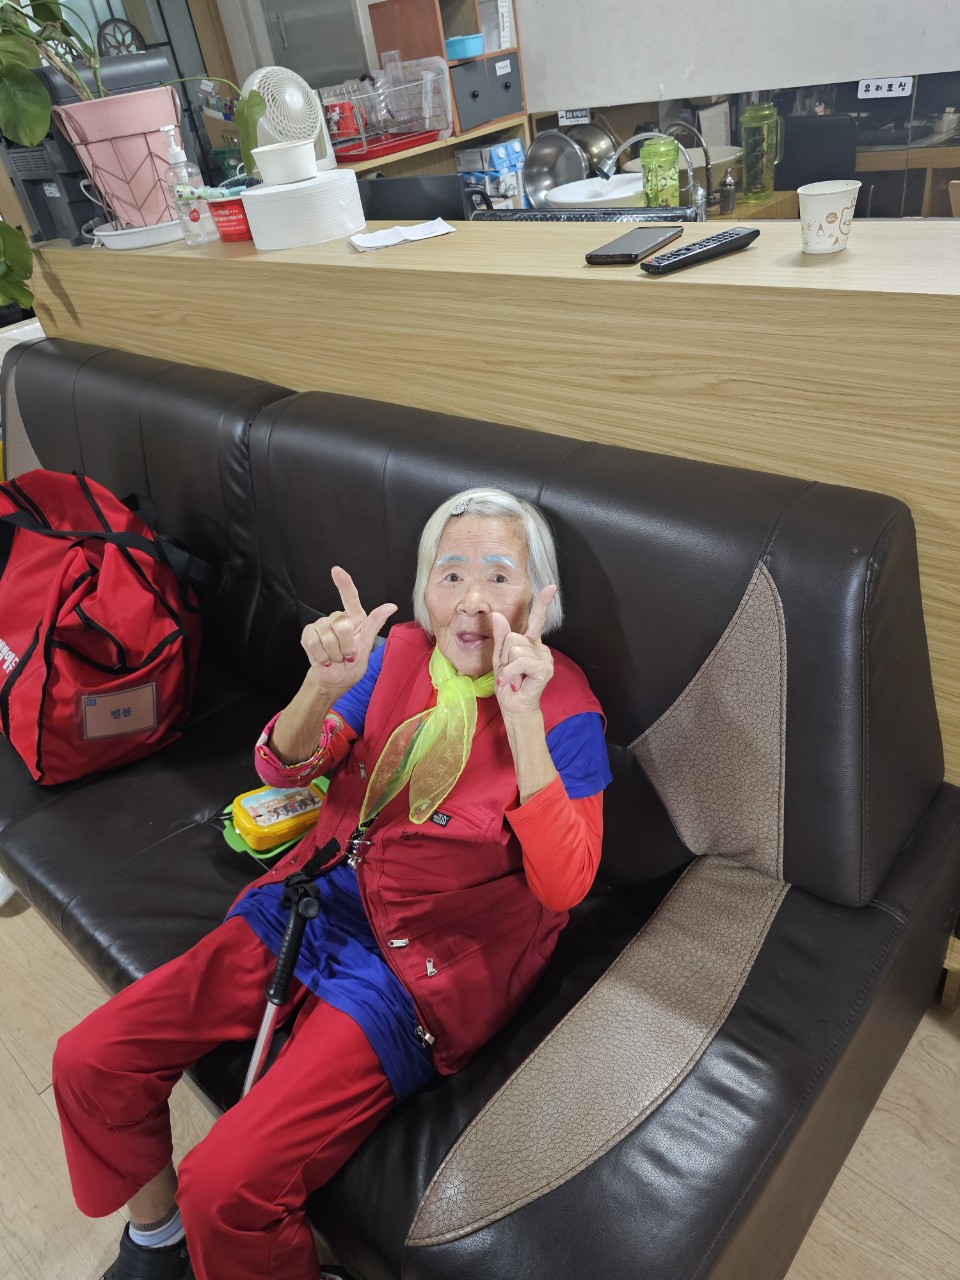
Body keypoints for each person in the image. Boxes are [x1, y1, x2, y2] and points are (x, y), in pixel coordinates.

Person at [53, 487, 612, 1280]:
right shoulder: (397, 654)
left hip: (413, 971)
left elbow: (565, 886)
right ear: (424, 591)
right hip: (307, 904)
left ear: (538, 599)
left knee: (226, 1184)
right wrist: (319, 686)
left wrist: (523, 721)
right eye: (451, 575)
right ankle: (156, 1242)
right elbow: (284, 768)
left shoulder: (567, 708)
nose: (472, 601)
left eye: (499, 575)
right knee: (90, 1059)